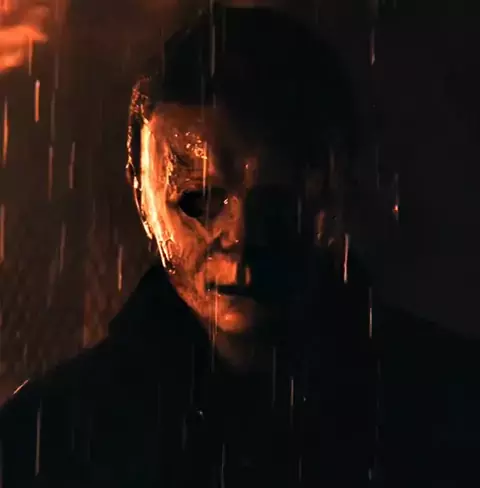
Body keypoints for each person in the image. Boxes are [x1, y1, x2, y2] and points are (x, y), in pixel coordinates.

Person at [1, 6, 480, 488]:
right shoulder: (48, 435)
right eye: (199, 200)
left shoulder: (451, 404)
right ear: (142, 198)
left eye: (278, 199)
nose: (240, 236)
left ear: (337, 186)